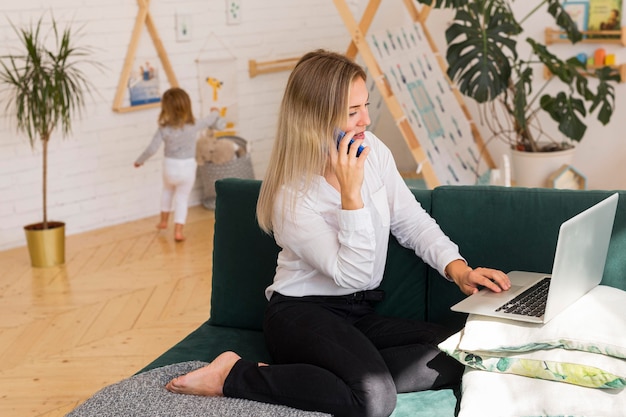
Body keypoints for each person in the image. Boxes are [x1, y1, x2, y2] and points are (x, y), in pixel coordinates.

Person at [165, 50, 510, 417]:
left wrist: (459, 269)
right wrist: (351, 194)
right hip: (300, 315)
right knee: (373, 399)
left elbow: (410, 220)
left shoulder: (372, 151)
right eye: (352, 112)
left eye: (366, 105)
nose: (367, 119)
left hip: (357, 314)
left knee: (463, 351)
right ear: (316, 117)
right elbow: (355, 273)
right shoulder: (292, 196)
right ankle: (233, 375)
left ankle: (330, 375)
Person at [134, 87, 226, 242]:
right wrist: (216, 111)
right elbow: (210, 119)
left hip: (170, 166)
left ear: (166, 108)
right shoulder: (194, 124)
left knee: (167, 192)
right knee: (182, 199)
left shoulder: (164, 129)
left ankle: (163, 221)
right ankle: (178, 232)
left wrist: (140, 161)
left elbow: (152, 148)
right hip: (188, 167)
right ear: (187, 105)